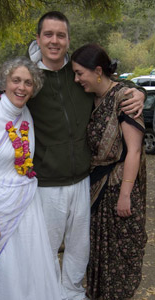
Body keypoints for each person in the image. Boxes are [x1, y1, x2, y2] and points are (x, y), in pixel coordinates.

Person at [0, 11, 146, 300]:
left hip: (84, 180)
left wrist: (138, 92)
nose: (54, 40)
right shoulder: (31, 78)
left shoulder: (78, 73)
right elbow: (3, 104)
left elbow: (108, 85)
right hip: (46, 184)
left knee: (78, 248)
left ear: (68, 39)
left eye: (60, 35)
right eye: (48, 34)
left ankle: (71, 294)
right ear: (38, 38)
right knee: (44, 250)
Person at [0, 56, 62, 300]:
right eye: (16, 80)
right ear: (3, 82)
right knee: (5, 272)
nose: (21, 87)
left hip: (26, 205)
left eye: (28, 83)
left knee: (30, 267)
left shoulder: (26, 113)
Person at [71, 43, 147, 300]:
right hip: (94, 190)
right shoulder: (89, 99)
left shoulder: (124, 97)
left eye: (80, 73)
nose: (76, 79)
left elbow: (134, 151)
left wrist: (125, 193)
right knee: (97, 259)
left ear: (98, 71)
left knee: (119, 260)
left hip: (118, 190)